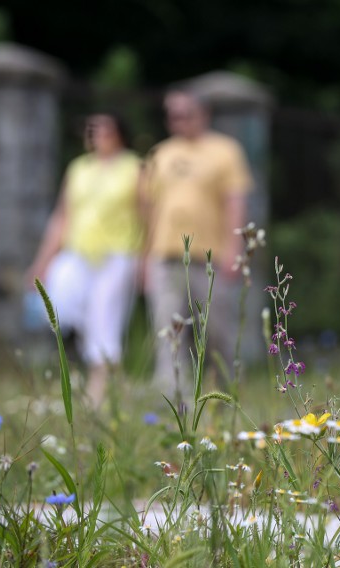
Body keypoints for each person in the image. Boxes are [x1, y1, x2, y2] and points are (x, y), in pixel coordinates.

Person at [140, 89, 252, 400]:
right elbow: (148, 210)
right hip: (165, 256)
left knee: (217, 335)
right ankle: (175, 401)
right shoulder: (159, 154)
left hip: (210, 258)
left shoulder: (225, 151)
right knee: (168, 332)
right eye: (172, 115)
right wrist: (144, 258)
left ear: (203, 114)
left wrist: (235, 249)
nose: (178, 121)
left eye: (185, 114)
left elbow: (235, 203)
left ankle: (226, 397)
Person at [28, 113, 143, 407]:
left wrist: (144, 260)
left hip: (118, 253)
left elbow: (146, 217)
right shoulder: (78, 167)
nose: (96, 135)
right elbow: (62, 216)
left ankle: (99, 385)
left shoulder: (134, 167)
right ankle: (110, 372)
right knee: (61, 303)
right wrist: (42, 262)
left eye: (104, 129)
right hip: (77, 252)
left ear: (119, 133)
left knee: (104, 313)